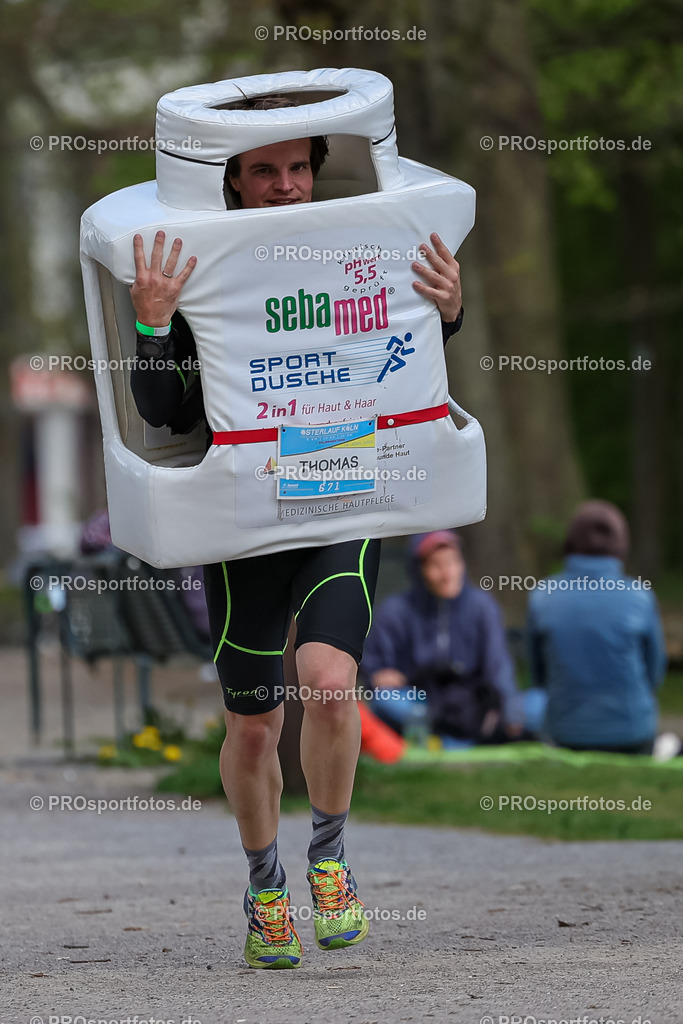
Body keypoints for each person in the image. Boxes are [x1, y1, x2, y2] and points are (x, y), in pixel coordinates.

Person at [128, 96, 466, 970]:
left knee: (327, 685)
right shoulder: (203, 266)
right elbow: (163, 411)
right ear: (233, 182)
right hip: (243, 513)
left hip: (341, 489)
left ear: (316, 170)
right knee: (250, 727)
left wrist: (449, 313)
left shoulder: (369, 244)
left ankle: (328, 858)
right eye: (264, 171)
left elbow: (406, 358)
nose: (285, 186)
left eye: (298, 167)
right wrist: (153, 323)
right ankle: (264, 886)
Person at [362, 531, 539, 746]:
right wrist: (378, 675)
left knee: (536, 705)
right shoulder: (395, 611)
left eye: (453, 562)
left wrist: (511, 713)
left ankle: (448, 737)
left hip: (473, 702)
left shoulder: (483, 607)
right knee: (387, 699)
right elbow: (375, 668)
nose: (448, 573)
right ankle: (454, 737)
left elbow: (498, 665)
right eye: (436, 565)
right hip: (423, 701)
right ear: (419, 569)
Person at [526, 500, 667, 754]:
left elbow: (538, 674)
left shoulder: (543, 596)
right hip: (633, 733)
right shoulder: (639, 596)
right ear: (622, 545)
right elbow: (654, 670)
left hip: (565, 732)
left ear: (570, 542)